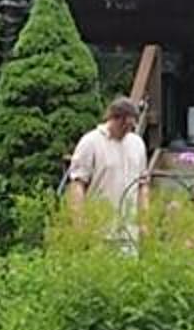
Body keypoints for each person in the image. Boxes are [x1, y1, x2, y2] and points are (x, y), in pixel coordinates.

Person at [64, 94, 151, 248]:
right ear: (115, 119)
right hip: (99, 231)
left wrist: (144, 220)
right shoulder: (90, 142)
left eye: (131, 126)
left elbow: (143, 185)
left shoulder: (137, 144)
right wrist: (79, 221)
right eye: (125, 125)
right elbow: (77, 184)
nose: (127, 130)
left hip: (129, 232)